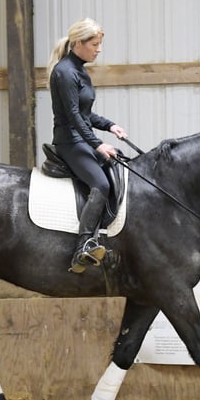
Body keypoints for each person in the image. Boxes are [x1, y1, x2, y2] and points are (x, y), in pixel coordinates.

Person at [47, 17, 128, 273]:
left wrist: (109, 125)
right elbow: (72, 115)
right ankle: (83, 245)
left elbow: (85, 115)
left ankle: (103, 234)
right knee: (101, 184)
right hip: (69, 142)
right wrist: (97, 144)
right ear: (78, 43)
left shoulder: (80, 70)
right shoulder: (65, 72)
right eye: (94, 44)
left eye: (99, 44)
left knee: (117, 167)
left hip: (80, 137)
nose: (99, 49)